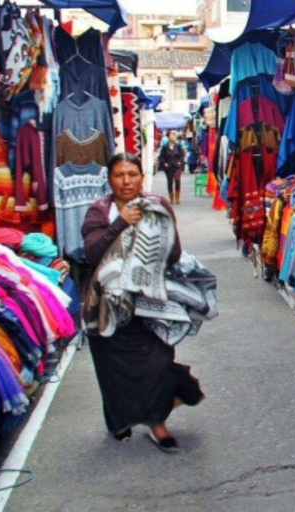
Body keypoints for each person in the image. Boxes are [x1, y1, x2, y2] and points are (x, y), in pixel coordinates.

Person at [81, 153, 203, 453]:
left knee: (158, 362)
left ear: (142, 176)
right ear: (110, 179)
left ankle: (156, 423)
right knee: (112, 369)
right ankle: (118, 421)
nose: (126, 181)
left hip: (150, 303)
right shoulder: (100, 212)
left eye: (132, 174)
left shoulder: (158, 206)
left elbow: (173, 252)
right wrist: (121, 224)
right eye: (119, 175)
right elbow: (92, 254)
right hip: (108, 305)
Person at [157, 131, 184, 204]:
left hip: (177, 166)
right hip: (168, 167)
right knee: (170, 182)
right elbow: (161, 157)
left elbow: (181, 155)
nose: (174, 137)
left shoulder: (178, 146)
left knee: (177, 179)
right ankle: (171, 198)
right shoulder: (165, 147)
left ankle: (177, 197)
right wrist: (164, 163)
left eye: (175, 135)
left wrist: (180, 162)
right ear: (169, 136)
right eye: (172, 135)